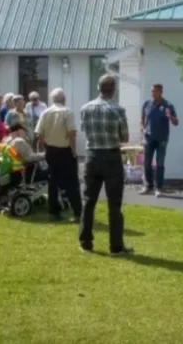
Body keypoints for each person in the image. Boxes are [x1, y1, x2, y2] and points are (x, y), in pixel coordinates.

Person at [79, 74, 132, 256]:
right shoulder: (118, 110)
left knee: (88, 201)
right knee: (114, 204)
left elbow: (85, 131)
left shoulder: (85, 108)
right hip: (111, 156)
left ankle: (86, 242)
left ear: (98, 88)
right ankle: (116, 247)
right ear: (113, 89)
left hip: (92, 156)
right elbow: (125, 137)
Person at [35, 88, 82, 221]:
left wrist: (47, 144)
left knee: (53, 181)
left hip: (51, 150)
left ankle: (53, 211)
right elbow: (72, 133)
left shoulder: (45, 112)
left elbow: (39, 134)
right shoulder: (67, 112)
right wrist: (73, 151)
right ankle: (77, 212)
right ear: (64, 99)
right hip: (65, 150)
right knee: (72, 182)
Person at [139, 83, 179, 197]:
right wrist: (143, 128)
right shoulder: (147, 104)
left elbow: (176, 122)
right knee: (147, 164)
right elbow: (142, 118)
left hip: (162, 139)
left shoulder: (168, 105)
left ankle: (159, 188)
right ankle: (148, 186)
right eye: (151, 91)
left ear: (161, 92)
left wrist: (170, 117)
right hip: (148, 138)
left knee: (160, 164)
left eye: (155, 91)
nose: (152, 93)